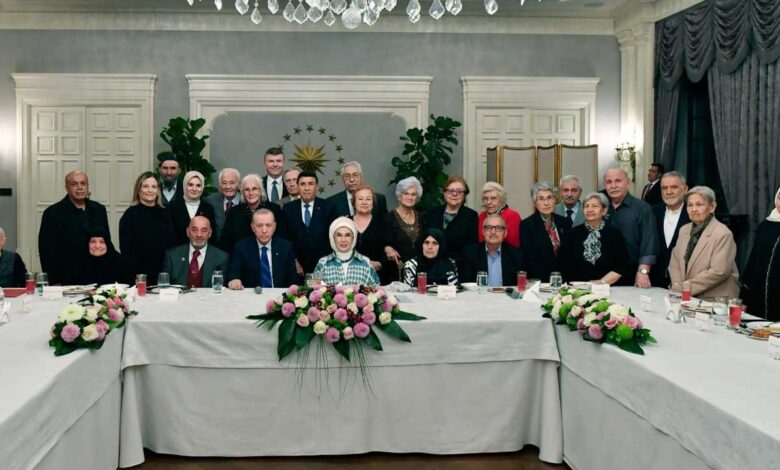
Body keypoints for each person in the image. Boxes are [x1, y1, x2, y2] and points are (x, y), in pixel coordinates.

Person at [38, 170, 110, 285]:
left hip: (98, 274)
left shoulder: (99, 210)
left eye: (83, 183)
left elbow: (106, 243)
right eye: (74, 184)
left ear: (88, 186)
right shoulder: (53, 213)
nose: (80, 187)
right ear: (66, 187)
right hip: (68, 278)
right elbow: (47, 252)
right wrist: (54, 281)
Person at [669, 186, 739, 298]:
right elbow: (675, 261)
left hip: (715, 299)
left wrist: (684, 287)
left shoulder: (723, 233)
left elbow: (718, 271)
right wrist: (677, 285)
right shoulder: (684, 230)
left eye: (699, 204)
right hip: (685, 295)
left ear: (712, 207)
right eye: (690, 205)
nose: (693, 209)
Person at [603, 166, 658, 288]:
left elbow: (649, 243)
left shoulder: (642, 208)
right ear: (604, 185)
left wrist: (643, 271)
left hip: (632, 274)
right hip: (604, 275)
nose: (613, 186)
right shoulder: (601, 208)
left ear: (628, 182)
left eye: (618, 181)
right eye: (609, 182)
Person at [559, 193, 630, 285]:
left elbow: (621, 266)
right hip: (576, 288)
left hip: (606, 287)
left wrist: (601, 282)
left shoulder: (615, 235)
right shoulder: (572, 234)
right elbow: (563, 264)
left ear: (604, 211)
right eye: (586, 206)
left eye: (594, 206)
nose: (589, 210)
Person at [120, 171, 174, 286]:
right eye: (145, 186)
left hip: (163, 273)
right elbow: (126, 251)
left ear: (158, 190)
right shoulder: (130, 215)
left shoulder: (166, 214)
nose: (150, 190)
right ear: (138, 190)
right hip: (138, 275)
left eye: (154, 187)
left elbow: (171, 245)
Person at [280, 171, 335, 276]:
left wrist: (327, 263)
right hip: (296, 270)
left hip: (324, 268)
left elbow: (333, 237)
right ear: (297, 186)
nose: (306, 188)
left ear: (317, 187)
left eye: (310, 184)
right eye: (302, 184)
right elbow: (284, 238)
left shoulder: (328, 207)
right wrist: (293, 260)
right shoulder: (288, 209)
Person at [227, 209, 297, 289]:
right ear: (253, 227)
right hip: (251, 295)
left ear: (274, 227)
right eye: (259, 226)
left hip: (278, 295)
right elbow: (233, 275)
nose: (264, 230)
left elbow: (293, 280)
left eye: (268, 225)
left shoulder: (285, 247)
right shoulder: (242, 247)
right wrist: (233, 281)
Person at [424, 175, 478, 275]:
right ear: (445, 193)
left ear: (464, 195)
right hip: (433, 267)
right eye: (451, 190)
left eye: (459, 191)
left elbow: (471, 247)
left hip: (459, 269)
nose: (454, 194)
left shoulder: (471, 216)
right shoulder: (433, 213)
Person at [220, 173, 283, 257]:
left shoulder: (274, 209)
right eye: (247, 190)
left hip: (269, 256)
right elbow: (226, 241)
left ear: (261, 190)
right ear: (242, 192)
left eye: (254, 189)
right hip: (241, 258)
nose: (251, 193)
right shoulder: (234, 212)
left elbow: (281, 238)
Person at [520, 182, 572, 282]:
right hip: (540, 282)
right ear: (535, 203)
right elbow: (529, 259)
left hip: (564, 281)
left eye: (549, 198)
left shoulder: (565, 222)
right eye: (541, 199)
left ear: (555, 200)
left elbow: (569, 255)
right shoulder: (527, 225)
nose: (546, 203)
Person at [742, 187, 780, 320]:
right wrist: (744, 297)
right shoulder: (765, 225)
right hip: (758, 294)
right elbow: (753, 261)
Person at [162, 216, 229, 288]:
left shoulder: (221, 257)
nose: (199, 235)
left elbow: (221, 289)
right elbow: (164, 287)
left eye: (204, 230)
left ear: (210, 233)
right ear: (187, 232)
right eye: (194, 230)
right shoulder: (172, 255)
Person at [650, 171, 690, 288]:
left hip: (685, 282)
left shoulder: (693, 214)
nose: (668, 192)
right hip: (654, 281)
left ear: (685, 189)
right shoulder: (652, 212)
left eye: (674, 187)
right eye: (664, 188)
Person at [313, 217, 380, 286]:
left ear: (353, 237)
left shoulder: (365, 262)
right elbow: (314, 289)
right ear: (333, 238)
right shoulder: (322, 263)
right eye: (339, 235)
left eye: (348, 235)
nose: (343, 240)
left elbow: (377, 290)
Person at [462, 214, 526, 287]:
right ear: (483, 232)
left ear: (505, 233)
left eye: (498, 228)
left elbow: (520, 285)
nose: (493, 231)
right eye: (488, 228)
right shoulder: (470, 253)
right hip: (479, 293)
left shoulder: (517, 254)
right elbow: (467, 284)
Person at [384, 176, 424, 283]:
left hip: (418, 270)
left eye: (413, 194)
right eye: (406, 193)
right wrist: (387, 248)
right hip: (396, 271)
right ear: (399, 196)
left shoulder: (422, 217)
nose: (410, 197)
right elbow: (382, 242)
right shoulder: (388, 218)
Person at [168, 170, 216, 247]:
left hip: (202, 252)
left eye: (198, 185)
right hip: (177, 251)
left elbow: (212, 237)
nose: (194, 189)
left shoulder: (208, 208)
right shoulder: (173, 207)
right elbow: (169, 235)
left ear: (202, 187)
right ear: (184, 186)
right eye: (190, 185)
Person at [350, 185, 386, 273]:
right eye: (360, 199)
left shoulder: (383, 223)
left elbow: (388, 249)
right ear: (354, 203)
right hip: (350, 274)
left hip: (377, 275)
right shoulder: (345, 223)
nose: (364, 202)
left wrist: (380, 263)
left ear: (373, 203)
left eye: (368, 199)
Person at [478, 182, 521, 248]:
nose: (489, 202)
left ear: (501, 200)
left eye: (493, 198)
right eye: (486, 198)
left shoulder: (512, 216)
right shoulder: (482, 216)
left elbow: (513, 246)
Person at [204, 168, 241, 242]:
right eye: (224, 183)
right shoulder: (210, 201)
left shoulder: (245, 201)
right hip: (217, 246)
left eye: (232, 183)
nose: (228, 186)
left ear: (238, 184)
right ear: (220, 185)